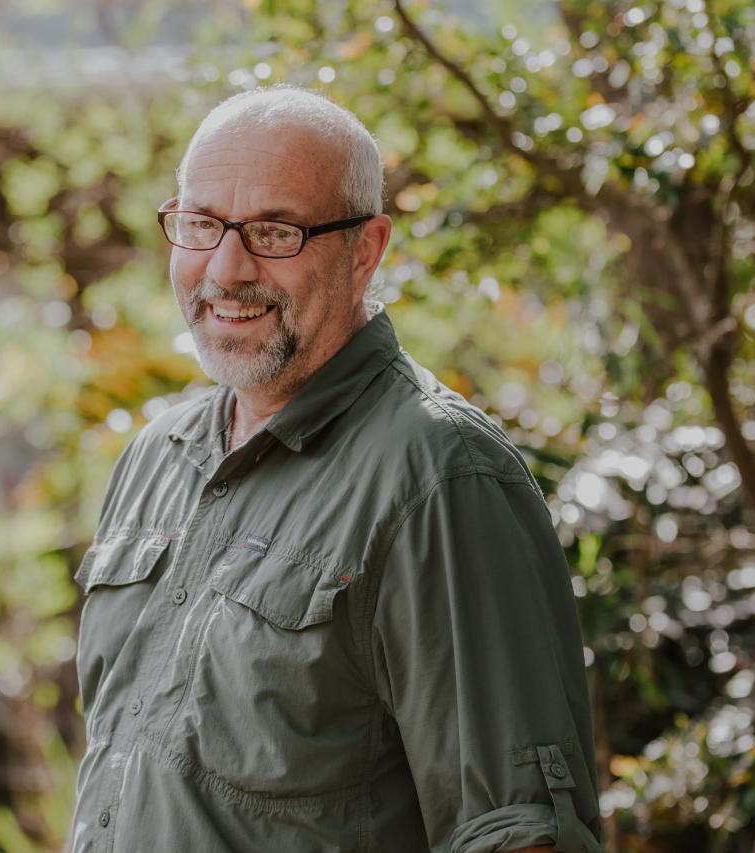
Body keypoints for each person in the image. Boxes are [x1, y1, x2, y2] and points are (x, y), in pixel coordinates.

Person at [68, 85, 602, 853]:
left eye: (275, 231)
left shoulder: (438, 474)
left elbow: (516, 833)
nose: (226, 267)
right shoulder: (157, 457)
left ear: (367, 249)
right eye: (200, 224)